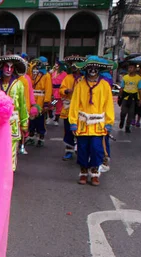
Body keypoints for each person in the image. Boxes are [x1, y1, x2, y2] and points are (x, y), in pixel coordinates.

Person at [68, 57, 114, 186]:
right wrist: (73, 122)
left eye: (95, 68)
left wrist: (109, 122)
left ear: (99, 69)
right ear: (86, 69)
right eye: (90, 68)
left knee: (96, 148)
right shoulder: (80, 85)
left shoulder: (104, 85)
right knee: (82, 148)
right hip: (83, 124)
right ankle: (83, 171)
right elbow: (74, 104)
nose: (92, 70)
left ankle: (94, 171)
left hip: (98, 125)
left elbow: (108, 105)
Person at [0, 55, 29, 171]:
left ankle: (9, 173)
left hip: (13, 123)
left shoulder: (19, 85)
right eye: (6, 67)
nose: (8, 70)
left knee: (11, 150)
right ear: (2, 68)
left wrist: (24, 124)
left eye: (11, 67)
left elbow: (23, 105)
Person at [59, 55, 84, 161]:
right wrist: (66, 91)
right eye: (72, 64)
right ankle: (69, 150)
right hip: (68, 107)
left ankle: (81, 151)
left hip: (81, 109)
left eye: (76, 64)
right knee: (68, 130)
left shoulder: (84, 79)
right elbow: (61, 90)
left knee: (80, 131)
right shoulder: (67, 78)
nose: (74, 67)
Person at [27, 57, 52, 147]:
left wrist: (46, 103)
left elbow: (48, 89)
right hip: (33, 98)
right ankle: (31, 136)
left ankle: (41, 138)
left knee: (40, 120)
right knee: (31, 119)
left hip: (41, 99)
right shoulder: (32, 74)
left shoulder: (46, 75)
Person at [118, 62, 141, 133]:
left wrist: (140, 99)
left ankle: (127, 127)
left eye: (131, 68)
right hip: (125, 97)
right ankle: (122, 121)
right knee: (123, 112)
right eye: (129, 68)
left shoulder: (138, 78)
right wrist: (119, 96)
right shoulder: (125, 77)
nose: (130, 69)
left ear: (135, 69)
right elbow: (122, 88)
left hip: (133, 98)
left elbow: (140, 90)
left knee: (131, 114)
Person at [49, 61, 67, 125]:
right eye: (55, 65)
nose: (56, 67)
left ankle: (56, 119)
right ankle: (50, 117)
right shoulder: (52, 72)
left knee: (58, 106)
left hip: (59, 92)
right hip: (52, 91)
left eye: (57, 65)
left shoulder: (64, 74)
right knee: (51, 104)